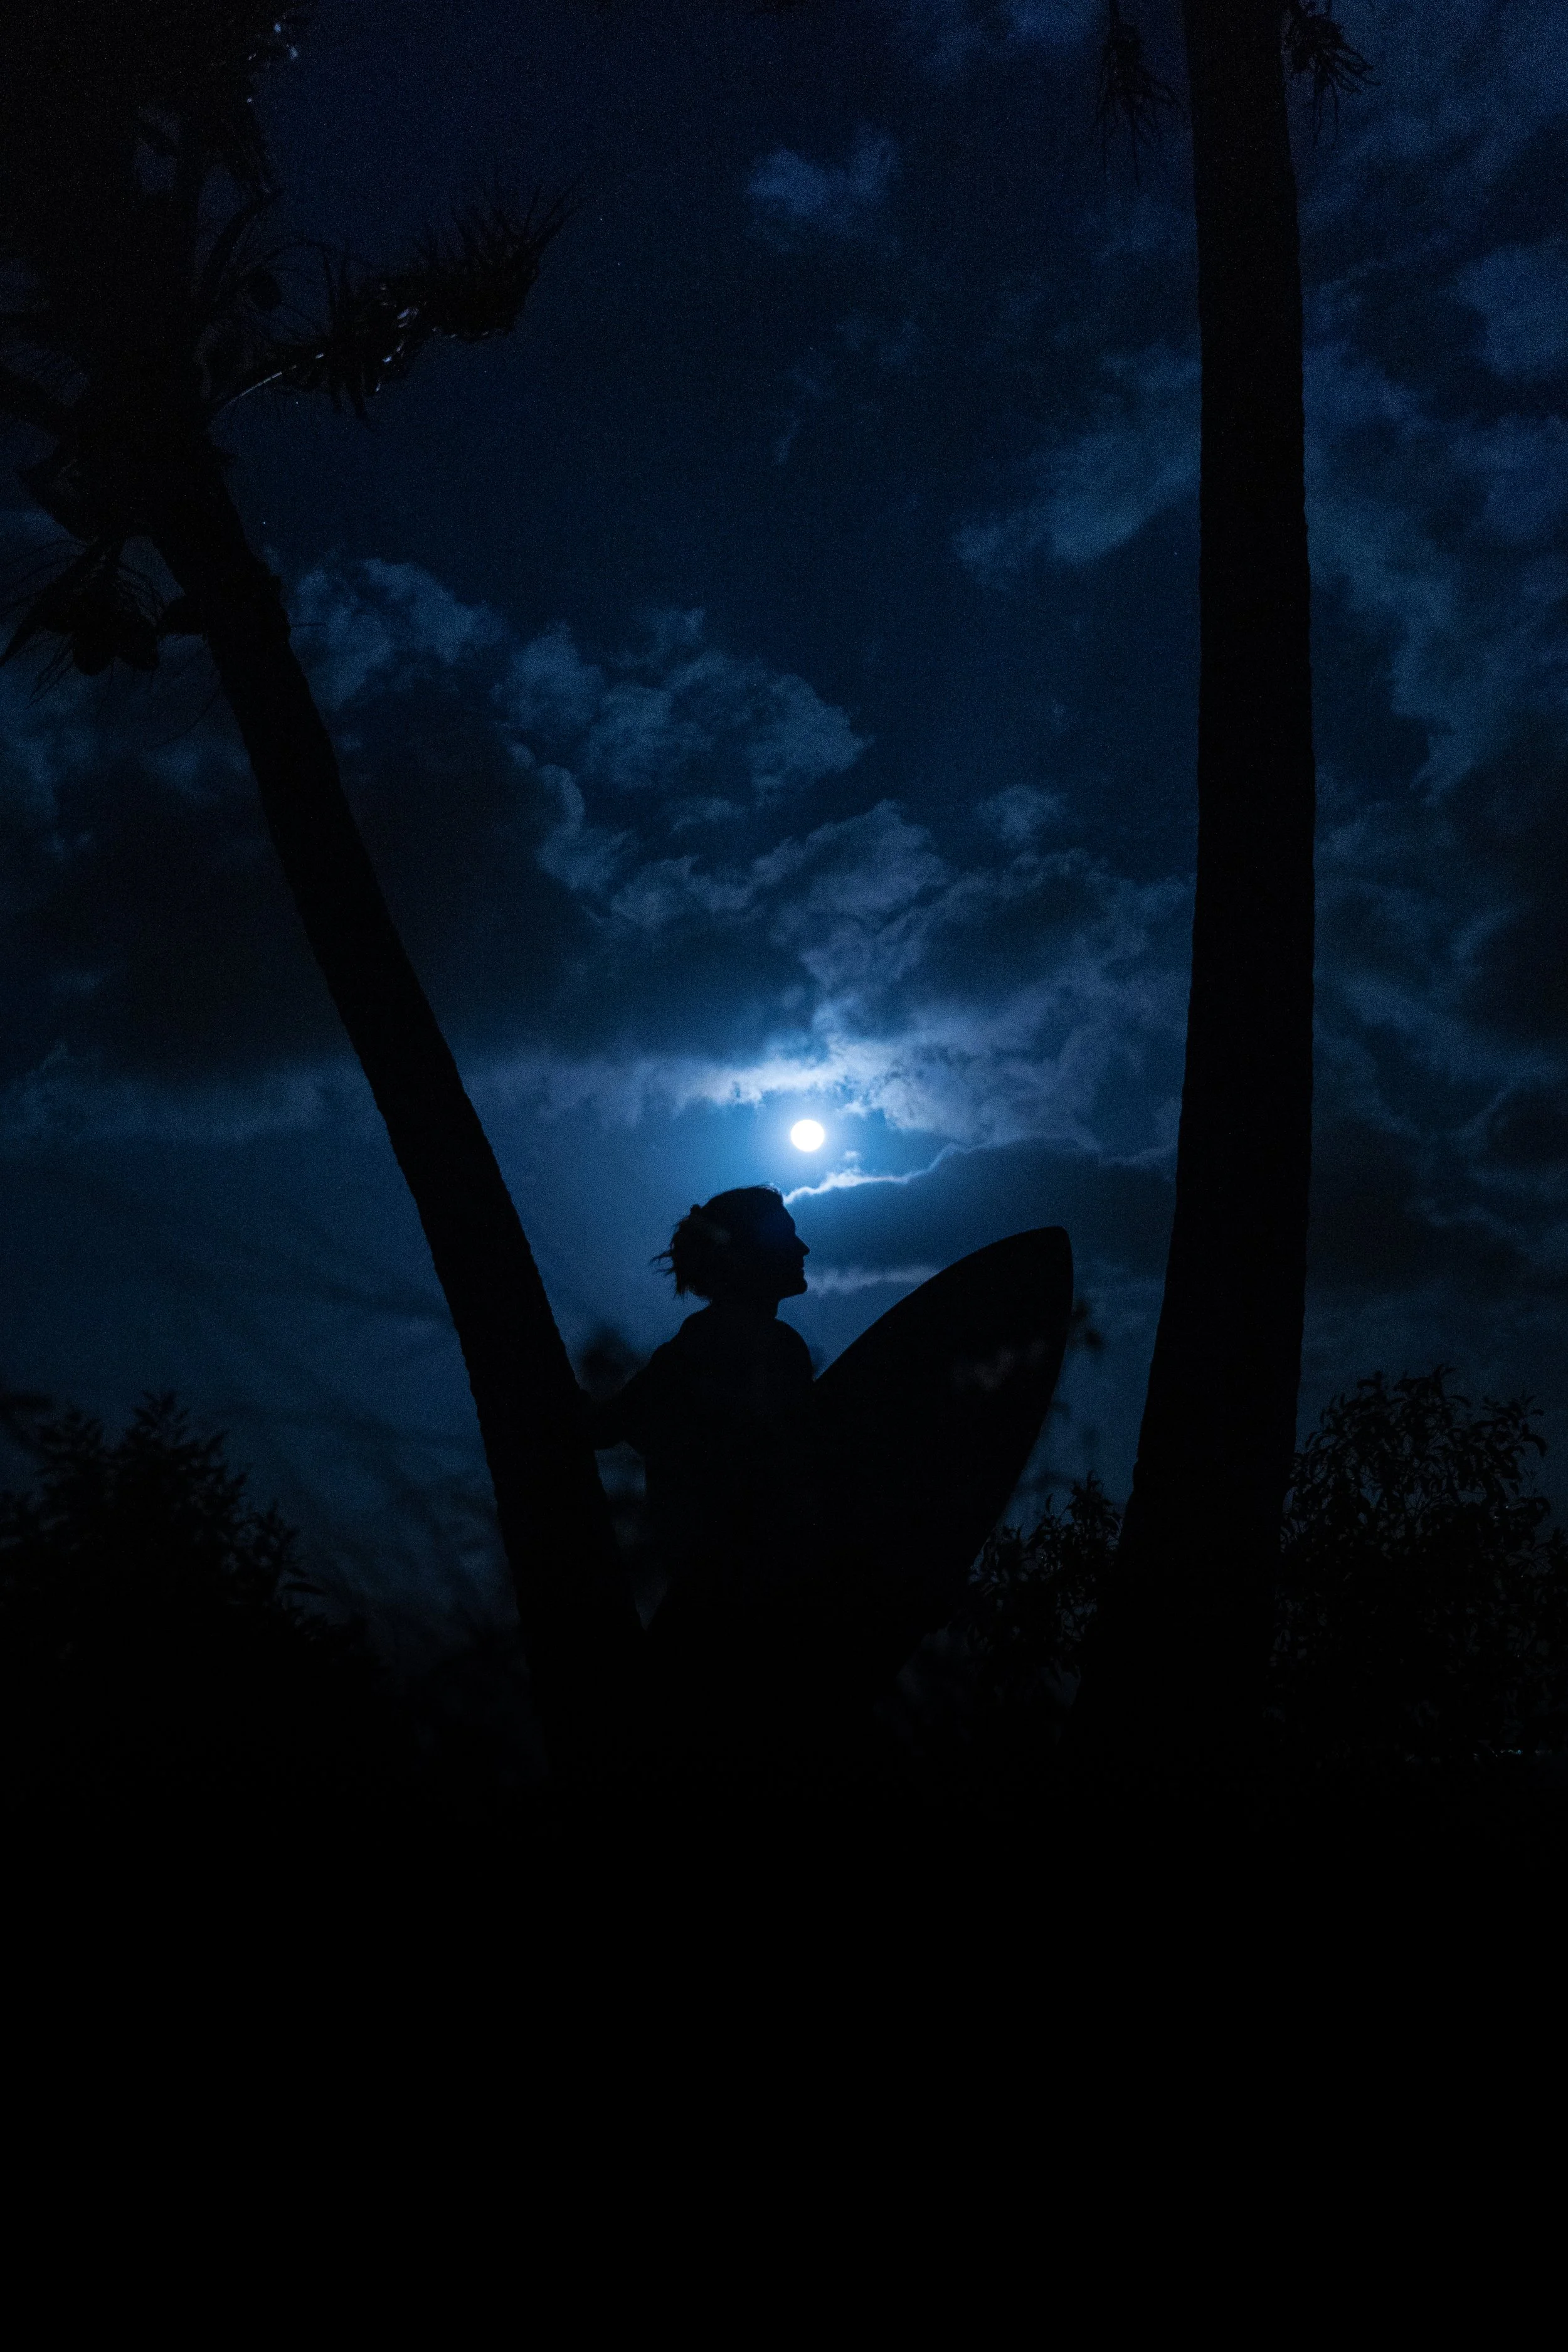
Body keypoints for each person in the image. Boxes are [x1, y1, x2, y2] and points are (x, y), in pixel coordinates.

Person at [589, 1187, 825, 1762]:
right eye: (784, 1236)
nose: (803, 1247)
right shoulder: (720, 1344)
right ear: (744, 1255)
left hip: (742, 1603)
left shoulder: (766, 1345)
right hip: (734, 1607)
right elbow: (619, 1424)